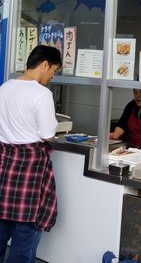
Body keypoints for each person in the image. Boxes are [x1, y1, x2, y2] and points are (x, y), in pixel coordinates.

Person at [0, 45, 62, 263]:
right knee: (24, 240)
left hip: (4, 168)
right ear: (44, 64)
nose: (52, 76)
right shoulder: (42, 94)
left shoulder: (4, 87)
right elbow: (47, 134)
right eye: (53, 70)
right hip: (29, 172)